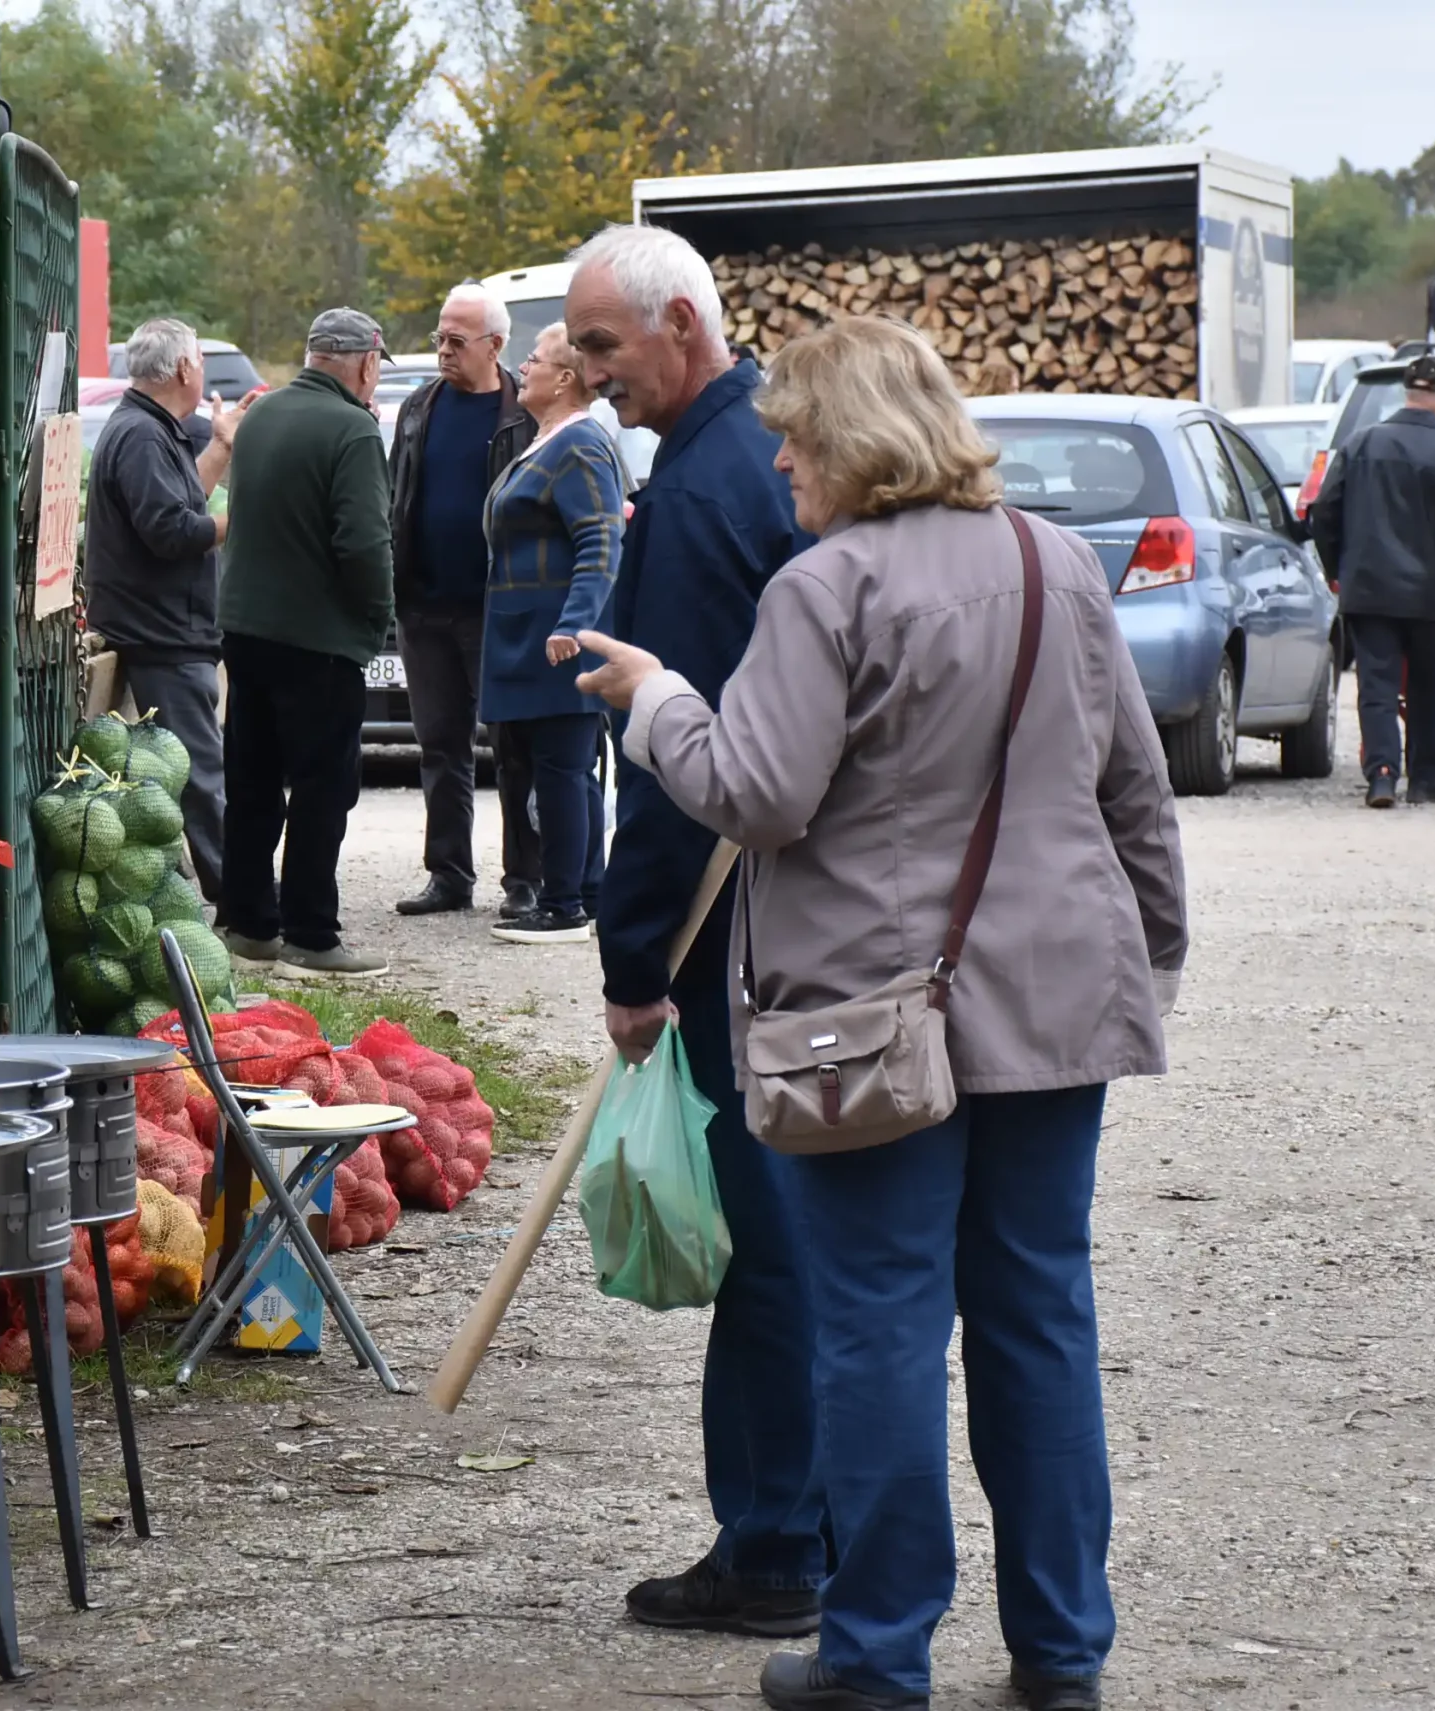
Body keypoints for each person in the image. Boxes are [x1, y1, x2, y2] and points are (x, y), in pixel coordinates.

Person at [576, 316, 1189, 1711]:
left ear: (852, 440)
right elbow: (1133, 786)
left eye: (795, 435)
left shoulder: (826, 585)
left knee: (881, 1330)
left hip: (866, 1017)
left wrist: (657, 701)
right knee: (1039, 1319)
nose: (780, 460)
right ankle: (1062, 1651)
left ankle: (875, 1653)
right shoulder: (1054, 562)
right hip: (1055, 1003)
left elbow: (756, 791)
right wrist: (1149, 960)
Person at [562, 223, 829, 1636]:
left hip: (736, 921)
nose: (588, 373)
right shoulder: (768, 450)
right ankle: (813, 1526)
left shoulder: (707, 489)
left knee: (770, 1239)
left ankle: (777, 1543)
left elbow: (679, 756)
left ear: (681, 324)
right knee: (814, 1235)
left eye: (602, 345)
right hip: (807, 906)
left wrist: (633, 957)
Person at [213, 307, 393, 980]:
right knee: (324, 787)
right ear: (366, 362)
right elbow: (363, 542)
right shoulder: (353, 428)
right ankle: (312, 935)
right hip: (318, 639)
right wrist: (378, 615)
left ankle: (247, 923)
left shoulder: (260, 415)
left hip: (246, 629)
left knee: (252, 782)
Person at [386, 281, 541, 920]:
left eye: (456, 340)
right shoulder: (418, 407)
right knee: (439, 746)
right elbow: (396, 495)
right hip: (423, 605)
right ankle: (448, 874)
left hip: (496, 608)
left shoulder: (525, 412)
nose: (443, 350)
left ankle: (525, 879)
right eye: (439, 338)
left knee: (514, 747)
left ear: (495, 345)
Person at [1308, 352, 1435, 808]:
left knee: (1377, 685)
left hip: (1368, 588)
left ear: (1406, 396)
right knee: (1426, 683)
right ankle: (1425, 779)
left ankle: (1382, 775)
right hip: (1429, 592)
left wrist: (1335, 569)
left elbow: (1323, 510)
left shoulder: (1360, 444)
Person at [82, 317, 241, 909]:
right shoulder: (144, 436)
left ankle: (228, 890)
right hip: (162, 632)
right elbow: (170, 529)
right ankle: (240, 900)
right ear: (182, 368)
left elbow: (178, 500)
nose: (202, 371)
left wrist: (221, 448)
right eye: (199, 360)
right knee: (201, 775)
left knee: (191, 773)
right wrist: (243, 523)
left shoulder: (148, 428)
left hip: (163, 628)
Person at [480, 322, 620, 944]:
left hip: (556, 637)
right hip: (527, 633)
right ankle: (587, 893)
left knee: (563, 768)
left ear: (564, 378)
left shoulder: (580, 444)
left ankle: (564, 905)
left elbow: (601, 538)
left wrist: (575, 623)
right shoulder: (546, 441)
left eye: (532, 359)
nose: (521, 368)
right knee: (562, 768)